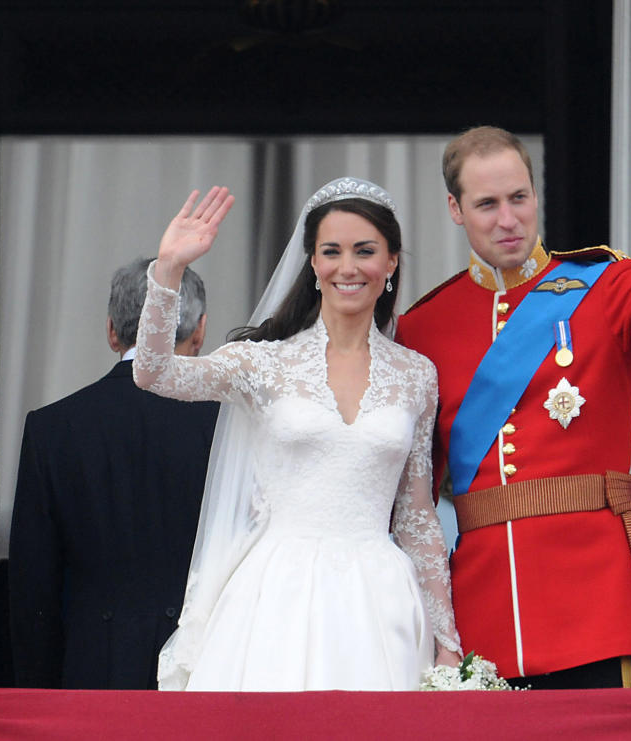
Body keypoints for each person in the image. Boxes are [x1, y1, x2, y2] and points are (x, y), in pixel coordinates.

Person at [394, 97, 631, 689]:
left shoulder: (605, 285)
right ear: (455, 210)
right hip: (482, 621)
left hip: (592, 609)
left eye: (519, 198)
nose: (508, 218)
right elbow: (408, 493)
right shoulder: (423, 328)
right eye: (487, 204)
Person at [134, 177, 461, 691]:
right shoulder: (264, 362)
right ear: (312, 263)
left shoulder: (417, 374)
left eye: (365, 251)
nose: (347, 267)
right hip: (276, 593)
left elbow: (417, 515)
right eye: (331, 251)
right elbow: (154, 372)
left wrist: (447, 641)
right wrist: (170, 269)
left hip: (382, 599)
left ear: (392, 262)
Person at [8, 258, 218, 689]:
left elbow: (33, 588)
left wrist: (39, 692)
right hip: (208, 668)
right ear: (199, 331)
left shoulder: (53, 428)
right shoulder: (229, 426)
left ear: (110, 331)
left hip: (93, 671)